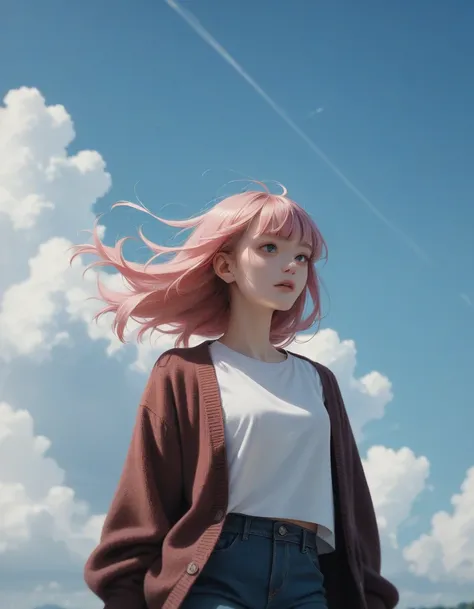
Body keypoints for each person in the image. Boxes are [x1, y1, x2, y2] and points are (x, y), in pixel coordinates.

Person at [74, 184, 399, 609]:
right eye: (269, 247)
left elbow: (354, 509)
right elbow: (144, 501)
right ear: (225, 266)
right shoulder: (182, 373)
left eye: (301, 256)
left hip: (307, 578)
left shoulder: (320, 381)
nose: (291, 266)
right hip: (212, 575)